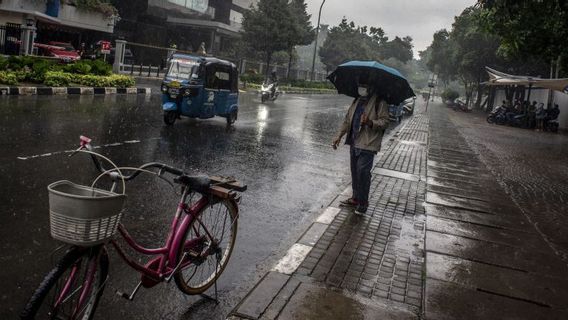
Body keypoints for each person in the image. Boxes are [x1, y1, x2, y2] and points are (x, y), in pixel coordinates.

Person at [332, 78, 390, 215]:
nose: (361, 88)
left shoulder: (379, 102)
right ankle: (356, 198)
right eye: (360, 85)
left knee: (363, 173)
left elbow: (385, 122)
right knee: (355, 172)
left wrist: (370, 122)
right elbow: (347, 121)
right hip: (354, 141)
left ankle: (363, 202)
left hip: (368, 143)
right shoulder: (356, 101)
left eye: (364, 86)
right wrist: (338, 136)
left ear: (371, 87)